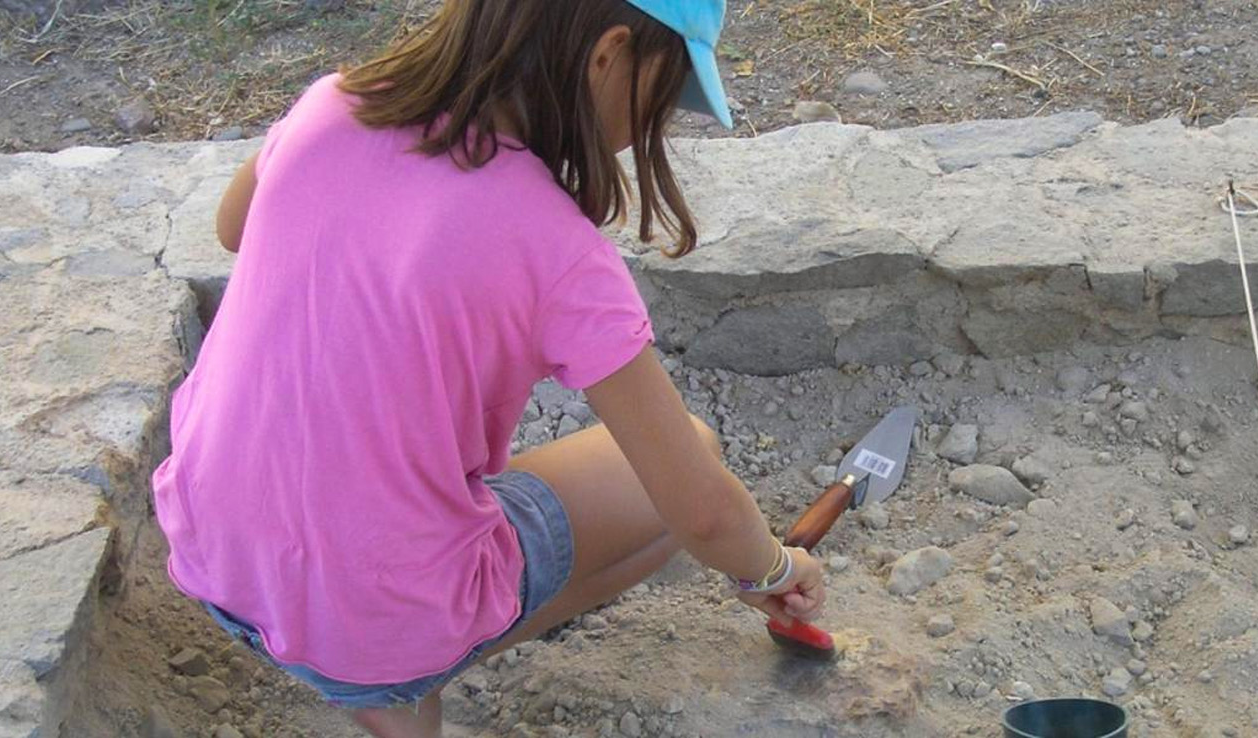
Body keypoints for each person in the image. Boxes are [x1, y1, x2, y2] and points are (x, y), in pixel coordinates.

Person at [150, 1, 825, 735]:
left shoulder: (335, 105)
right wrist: (771, 569)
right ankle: (395, 678)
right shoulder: (556, 247)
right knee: (693, 450)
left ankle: (378, 665)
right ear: (607, 56)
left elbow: (231, 228)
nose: (650, 125)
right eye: (662, 94)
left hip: (213, 550)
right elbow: (702, 511)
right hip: (376, 614)